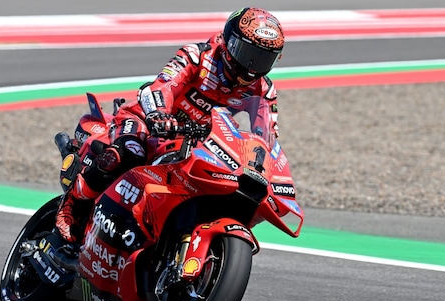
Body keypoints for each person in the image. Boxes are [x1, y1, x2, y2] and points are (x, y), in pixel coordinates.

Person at [52, 7, 286, 270]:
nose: (252, 66)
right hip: (147, 122)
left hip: (196, 145)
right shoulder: (198, 57)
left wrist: (265, 166)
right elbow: (163, 85)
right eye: (248, 54)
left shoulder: (264, 90)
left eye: (263, 59)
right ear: (230, 42)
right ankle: (72, 207)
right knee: (128, 152)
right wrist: (160, 114)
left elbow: (266, 135)